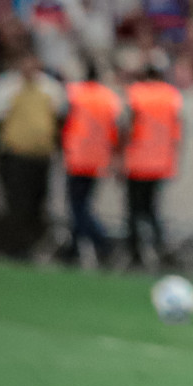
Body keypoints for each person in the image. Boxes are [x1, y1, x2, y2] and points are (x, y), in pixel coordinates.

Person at [0, 52, 66, 258]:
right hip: (15, 155)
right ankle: (16, 248)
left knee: (38, 202)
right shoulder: (4, 87)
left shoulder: (50, 88)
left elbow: (59, 121)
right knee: (17, 202)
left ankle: (34, 246)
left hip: (41, 155)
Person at [59, 63, 123, 266]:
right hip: (98, 159)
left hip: (77, 157)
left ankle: (102, 243)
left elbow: (63, 121)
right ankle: (74, 249)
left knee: (78, 206)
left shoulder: (75, 94)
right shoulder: (109, 98)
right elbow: (117, 129)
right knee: (83, 204)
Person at [121, 61, 183, 268]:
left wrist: (119, 156)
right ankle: (162, 249)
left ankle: (135, 252)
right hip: (160, 163)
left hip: (137, 161)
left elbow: (128, 127)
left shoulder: (136, 93)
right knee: (152, 209)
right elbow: (177, 133)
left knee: (133, 210)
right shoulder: (171, 96)